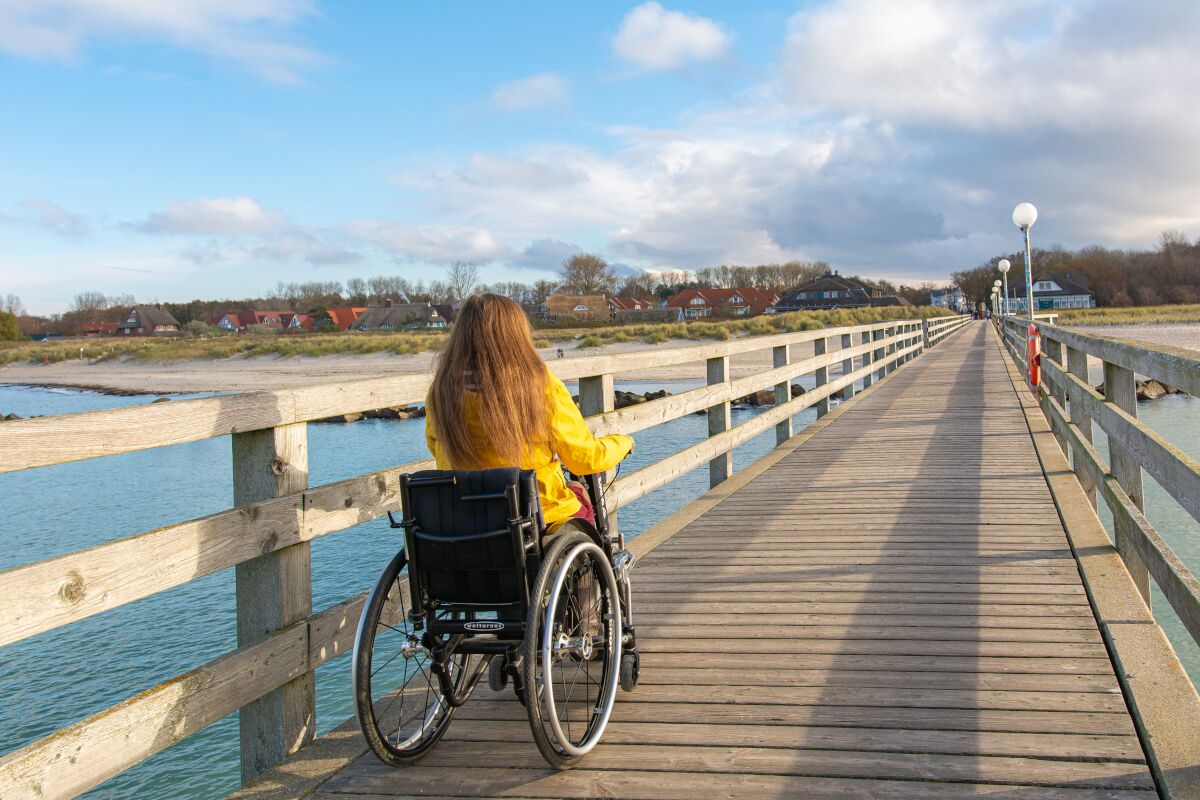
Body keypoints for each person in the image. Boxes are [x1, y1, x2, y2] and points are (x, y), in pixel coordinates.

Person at [424, 293, 633, 526]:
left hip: (466, 521)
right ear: (516, 335)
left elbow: (435, 446)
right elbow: (583, 459)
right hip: (535, 518)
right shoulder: (538, 385)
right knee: (580, 498)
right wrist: (623, 443)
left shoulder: (441, 390)